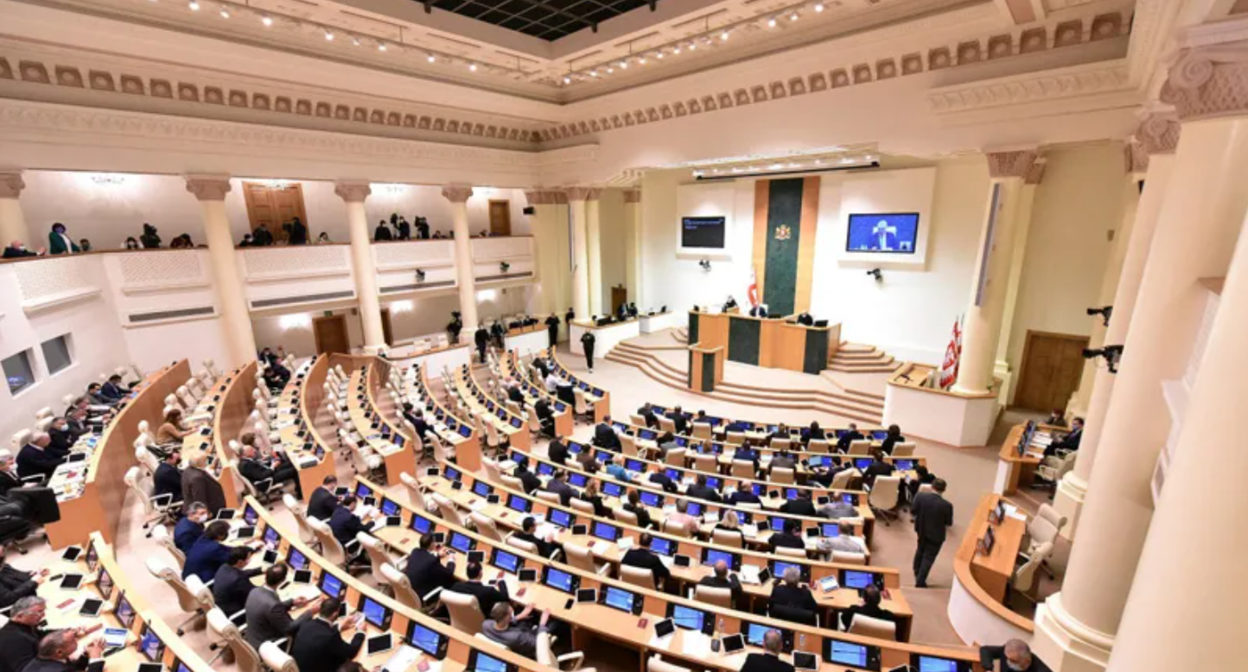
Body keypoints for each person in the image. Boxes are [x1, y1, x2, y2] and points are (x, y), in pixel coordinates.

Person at [245, 563, 315, 648]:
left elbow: (270, 608)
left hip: (253, 636)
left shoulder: (255, 591)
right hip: (266, 644)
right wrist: (311, 611)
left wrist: (292, 602)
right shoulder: (273, 606)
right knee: (310, 629)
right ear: (283, 580)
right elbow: (289, 628)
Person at [290, 598, 366, 672]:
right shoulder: (330, 638)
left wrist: (339, 627)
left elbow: (320, 632)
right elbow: (351, 653)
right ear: (335, 614)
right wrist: (360, 632)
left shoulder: (306, 623)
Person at [911, 478, 953, 588]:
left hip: (921, 530)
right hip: (936, 535)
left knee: (920, 549)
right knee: (928, 557)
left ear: (932, 486)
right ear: (943, 490)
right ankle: (920, 581)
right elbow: (948, 523)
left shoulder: (920, 496)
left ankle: (916, 571)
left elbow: (913, 511)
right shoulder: (947, 505)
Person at [482, 602, 551, 659]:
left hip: (514, 636)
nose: (512, 616)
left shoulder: (486, 624)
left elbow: (502, 622)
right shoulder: (516, 637)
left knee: (529, 618)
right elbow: (537, 643)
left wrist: (520, 615)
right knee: (555, 624)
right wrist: (542, 623)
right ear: (507, 617)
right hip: (527, 644)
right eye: (511, 614)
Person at [403, 533, 457, 599]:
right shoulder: (432, 561)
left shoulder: (415, 551)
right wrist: (451, 559)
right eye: (434, 542)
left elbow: (425, 559)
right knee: (452, 581)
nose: (435, 543)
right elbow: (449, 573)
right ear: (431, 544)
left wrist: (437, 555)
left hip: (409, 589)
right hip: (421, 595)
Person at [18, 630, 103, 672]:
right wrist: (95, 658)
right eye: (73, 640)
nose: (77, 641)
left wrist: (86, 654)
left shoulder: (40, 660)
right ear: (59, 652)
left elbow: (73, 668)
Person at [213, 546, 261, 617]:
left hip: (221, 606)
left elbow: (242, 573)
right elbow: (256, 593)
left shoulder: (224, 566)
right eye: (248, 559)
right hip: (235, 613)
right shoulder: (238, 580)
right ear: (240, 562)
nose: (249, 561)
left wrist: (260, 570)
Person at [328, 494, 376, 562]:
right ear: (353, 504)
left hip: (336, 539)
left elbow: (350, 523)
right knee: (368, 536)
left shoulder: (337, 510)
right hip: (347, 544)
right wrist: (373, 521)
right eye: (356, 504)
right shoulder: (349, 517)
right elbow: (364, 529)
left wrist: (357, 519)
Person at [182, 451, 227, 515]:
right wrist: (206, 513)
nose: (207, 460)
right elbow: (200, 498)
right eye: (206, 459)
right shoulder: (197, 478)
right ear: (200, 463)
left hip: (192, 507)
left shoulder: (188, 470)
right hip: (209, 510)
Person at [979, 640, 1052, 672]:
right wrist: (988, 669)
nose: (1008, 662)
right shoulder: (1008, 652)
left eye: (1013, 661)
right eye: (1008, 658)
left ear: (1027, 660)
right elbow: (985, 650)